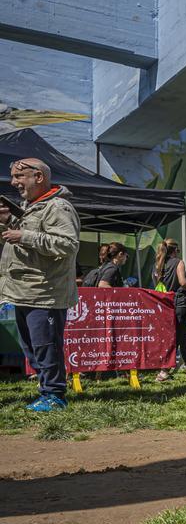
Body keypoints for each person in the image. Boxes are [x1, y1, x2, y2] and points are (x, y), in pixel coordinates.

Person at [0, 157, 80, 411]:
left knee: (46, 348)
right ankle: (47, 392)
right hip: (25, 292)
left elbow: (67, 244)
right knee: (34, 349)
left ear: (39, 177)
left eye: (19, 177)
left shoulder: (58, 207)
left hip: (45, 294)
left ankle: (55, 396)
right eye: (13, 177)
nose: (14, 182)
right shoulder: (31, 207)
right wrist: (9, 222)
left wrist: (24, 235)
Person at [153, 238, 186, 381]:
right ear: (175, 250)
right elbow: (183, 282)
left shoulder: (157, 265)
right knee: (176, 338)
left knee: (183, 335)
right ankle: (164, 371)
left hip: (165, 303)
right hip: (180, 303)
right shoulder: (178, 262)